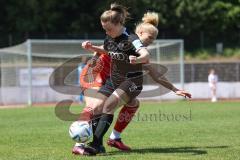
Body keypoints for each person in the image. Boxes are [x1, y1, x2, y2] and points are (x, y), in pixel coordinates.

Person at [78, 4, 190, 156]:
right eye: (104, 29)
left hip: (132, 83)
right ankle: (101, 143)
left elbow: (145, 56)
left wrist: (174, 89)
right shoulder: (110, 37)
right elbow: (107, 50)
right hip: (114, 80)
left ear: (118, 24)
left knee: (109, 105)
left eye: (108, 28)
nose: (106, 31)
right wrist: (93, 48)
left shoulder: (131, 39)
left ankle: (96, 145)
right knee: (97, 108)